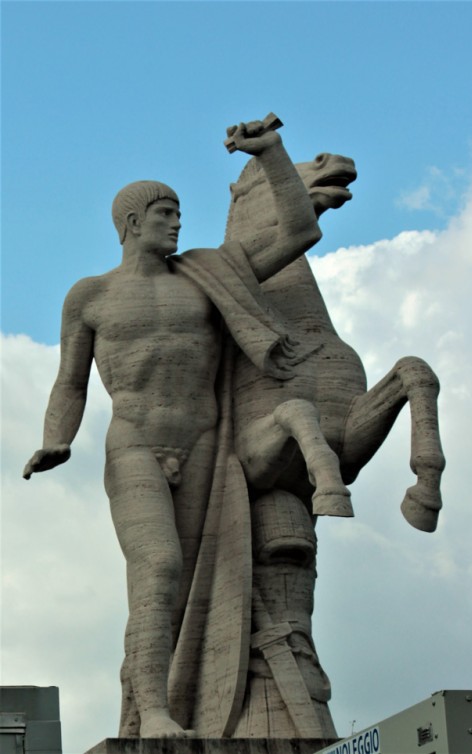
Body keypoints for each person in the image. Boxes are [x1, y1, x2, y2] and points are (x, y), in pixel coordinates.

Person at [23, 118, 322, 738]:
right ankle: (153, 712)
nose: (177, 223)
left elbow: (300, 230)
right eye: (165, 212)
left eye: (179, 212)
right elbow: (71, 381)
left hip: (207, 446)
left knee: (193, 582)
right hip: (133, 444)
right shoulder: (91, 295)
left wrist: (272, 155)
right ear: (131, 224)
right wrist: (58, 437)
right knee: (157, 567)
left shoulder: (211, 275)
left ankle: (182, 707)